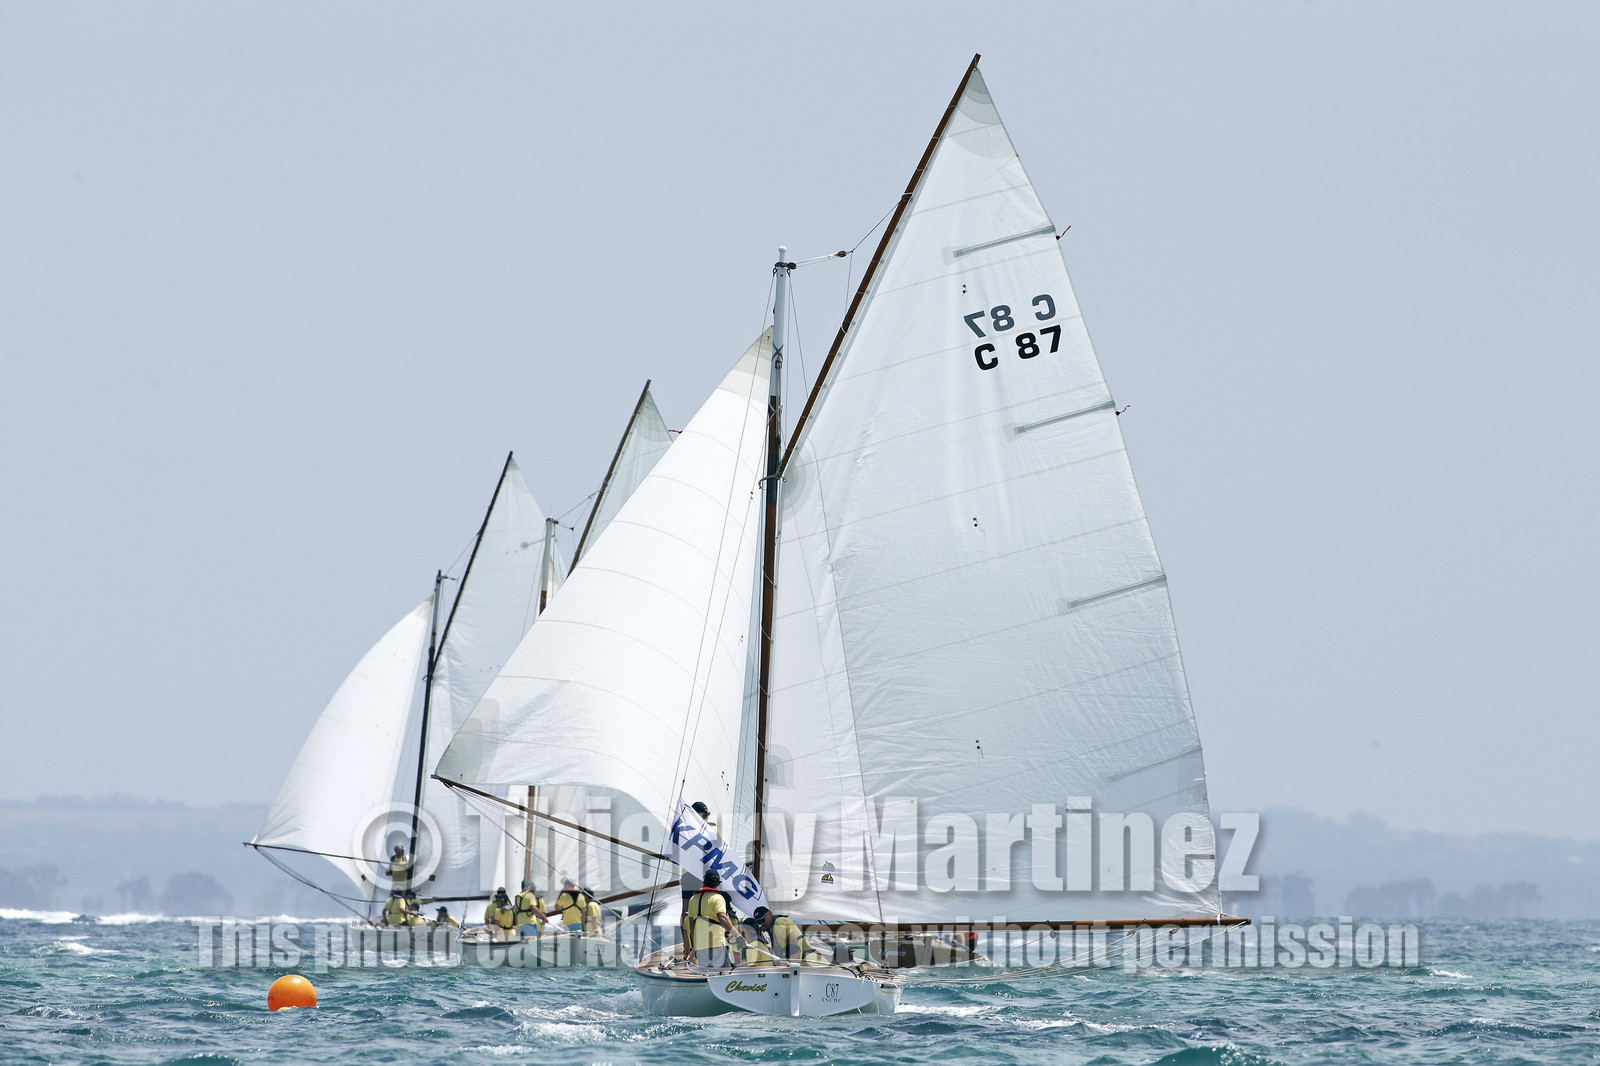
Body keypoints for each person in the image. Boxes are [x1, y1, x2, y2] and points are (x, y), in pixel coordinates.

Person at [679, 800, 716, 953]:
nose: (705, 818)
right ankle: (695, 947)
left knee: (687, 912)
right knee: (701, 911)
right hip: (700, 876)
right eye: (704, 815)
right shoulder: (711, 829)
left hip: (688, 875)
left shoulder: (683, 829)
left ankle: (687, 947)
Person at [685, 869, 737, 968]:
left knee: (708, 975)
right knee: (724, 975)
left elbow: (692, 926)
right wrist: (737, 936)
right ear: (717, 884)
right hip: (716, 945)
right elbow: (722, 917)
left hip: (701, 947)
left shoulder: (693, 899)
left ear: (704, 882)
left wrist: (695, 945)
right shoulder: (717, 898)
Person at [752, 905, 827, 963]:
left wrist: (791, 964)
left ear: (770, 914)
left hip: (803, 958)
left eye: (762, 919)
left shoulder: (779, 922)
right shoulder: (771, 927)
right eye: (759, 922)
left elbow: (793, 945)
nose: (762, 923)